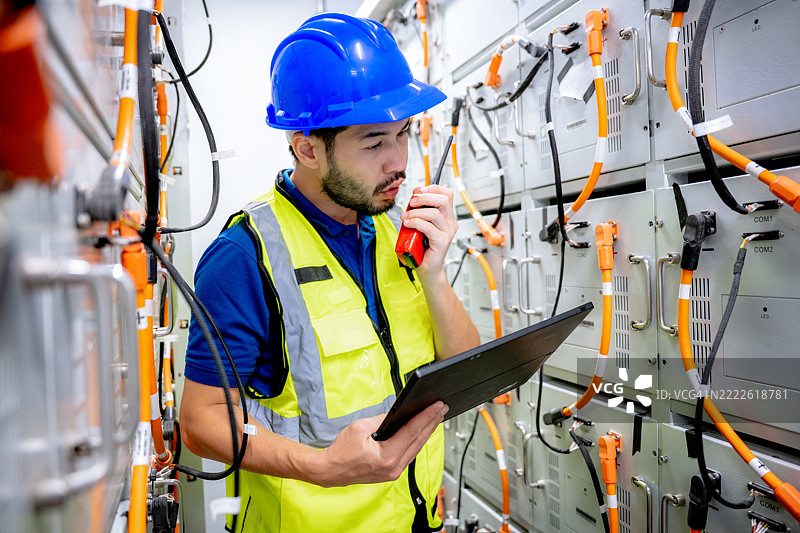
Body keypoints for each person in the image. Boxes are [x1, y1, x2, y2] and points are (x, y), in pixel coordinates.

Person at [180, 12, 480, 533]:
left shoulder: (394, 229)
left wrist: (434, 274)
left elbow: (463, 365)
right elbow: (199, 420)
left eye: (404, 134)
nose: (398, 161)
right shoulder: (245, 255)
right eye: (374, 142)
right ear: (308, 148)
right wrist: (323, 468)